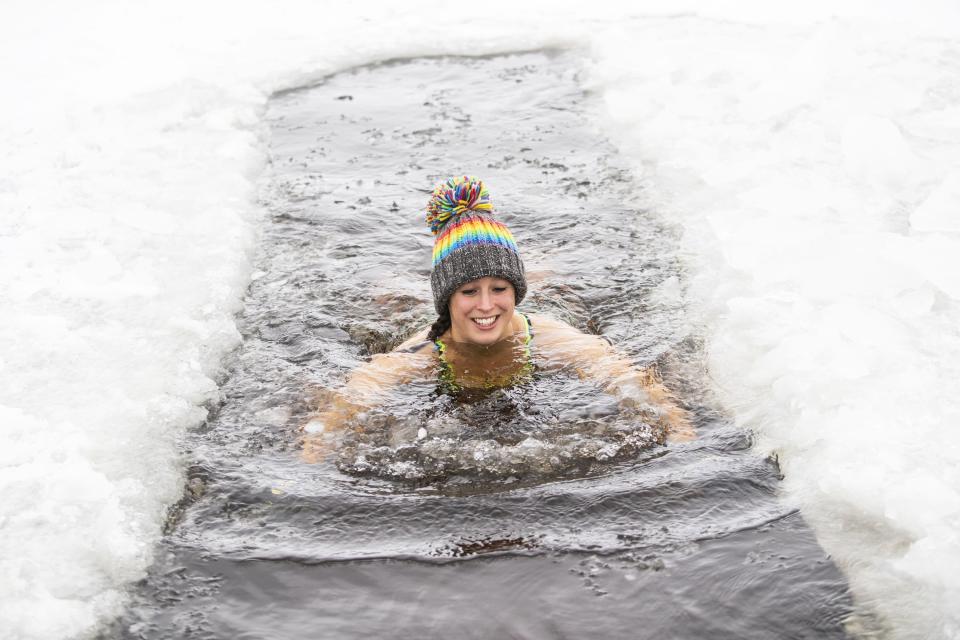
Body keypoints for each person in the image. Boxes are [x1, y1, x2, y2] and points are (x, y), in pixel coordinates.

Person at [302, 176, 693, 462]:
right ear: (447, 299)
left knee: (557, 285)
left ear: (516, 292)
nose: (487, 306)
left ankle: (540, 268)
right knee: (390, 299)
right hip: (420, 320)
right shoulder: (420, 352)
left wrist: (679, 433)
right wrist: (314, 455)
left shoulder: (553, 338)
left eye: (500, 289)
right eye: (469, 291)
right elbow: (348, 402)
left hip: (554, 310)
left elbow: (631, 383)